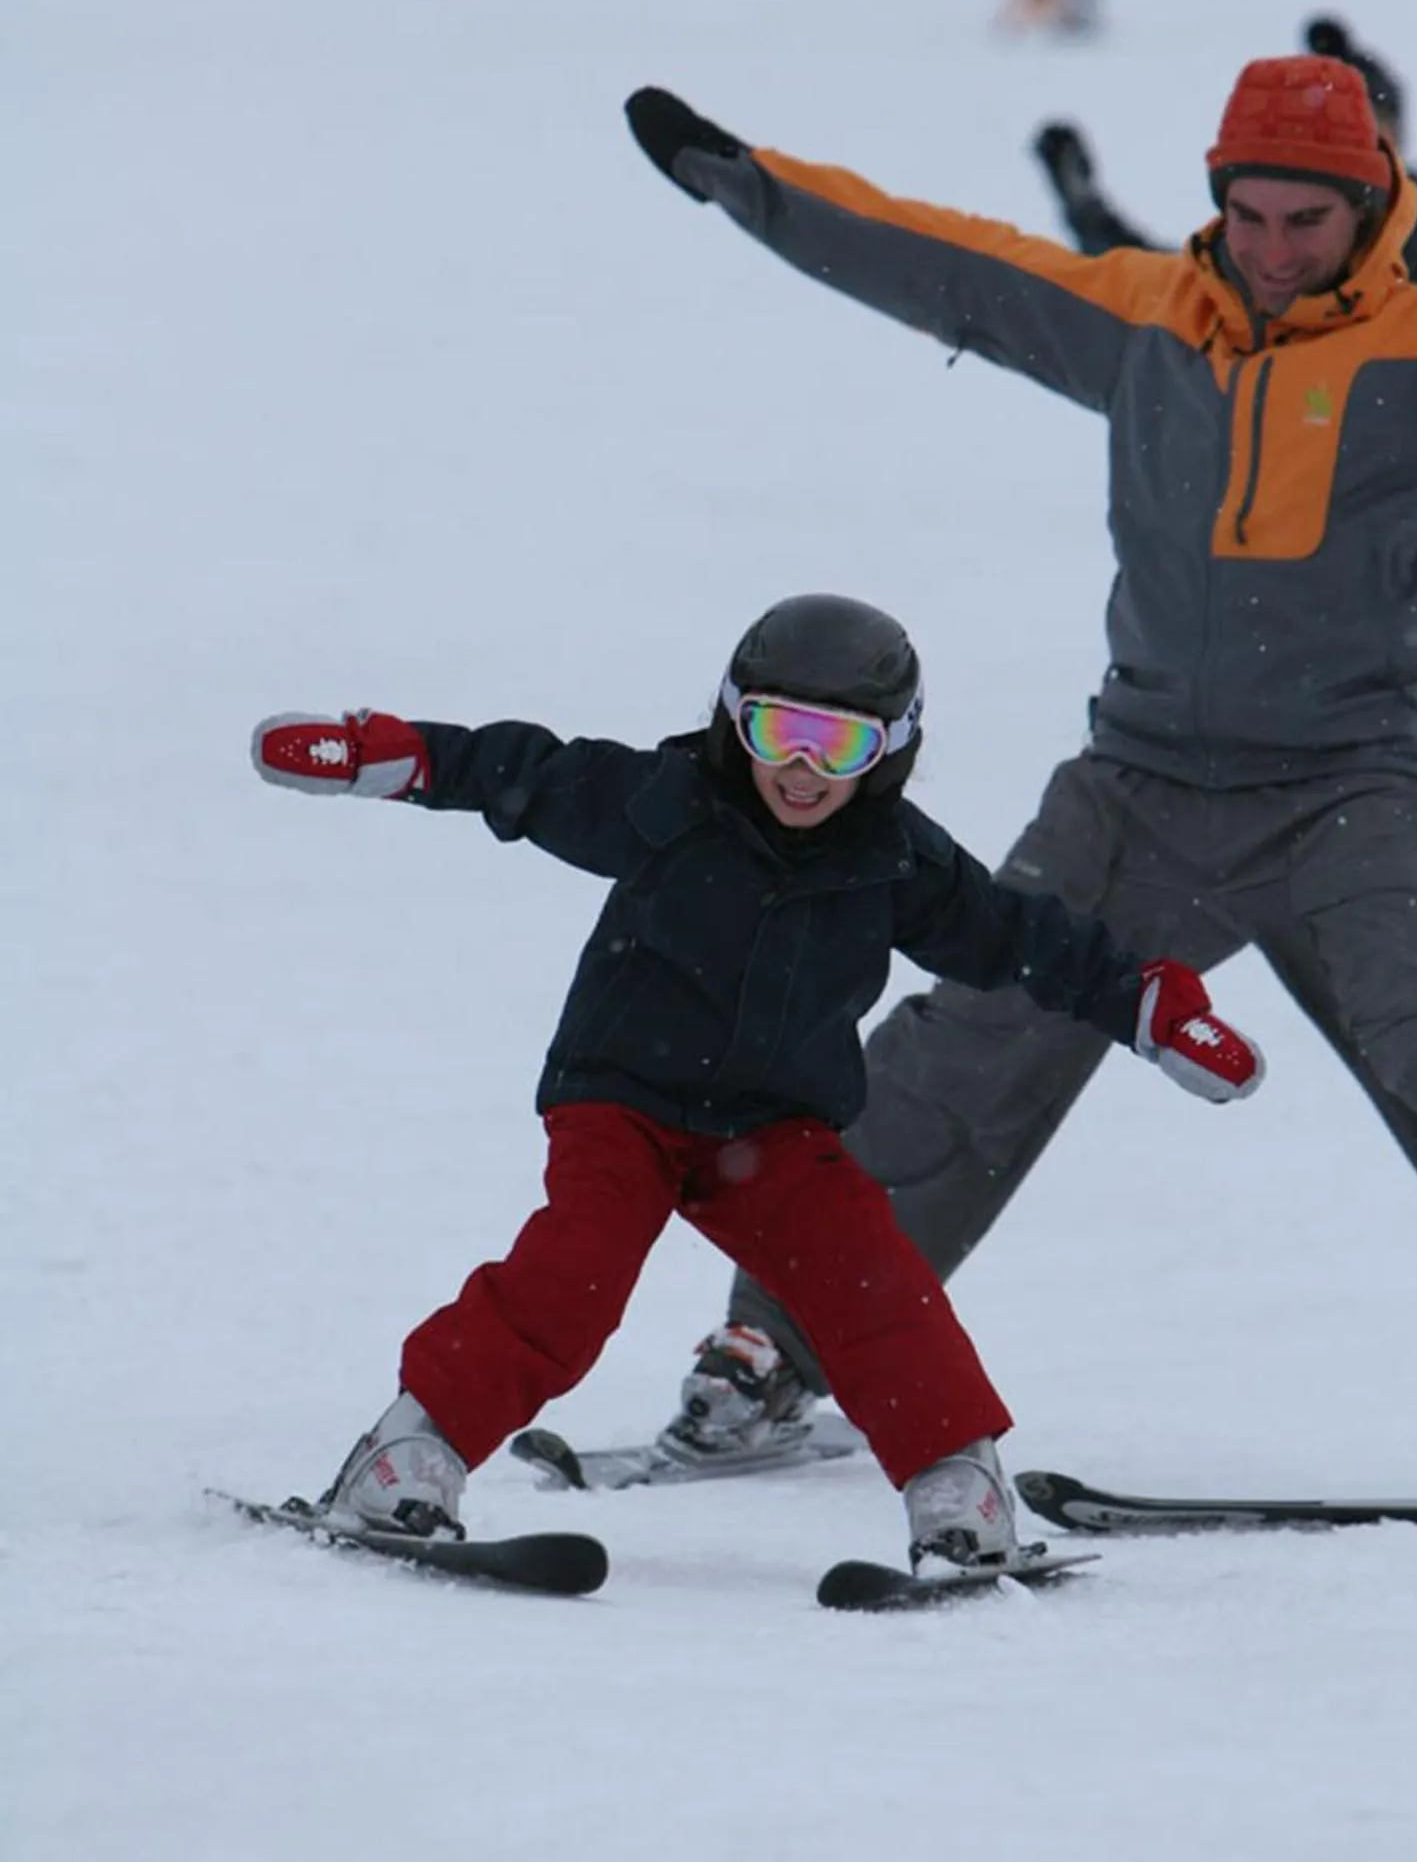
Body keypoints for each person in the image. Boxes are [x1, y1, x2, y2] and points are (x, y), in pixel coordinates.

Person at [619, 59, 1417, 1498]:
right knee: (967, 1038)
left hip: (1346, 792)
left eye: (1304, 222)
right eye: (1248, 215)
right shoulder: (1147, 326)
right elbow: (944, 263)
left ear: (1368, 208)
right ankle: (780, 1344)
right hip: (1134, 790)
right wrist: (750, 184)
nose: (1271, 250)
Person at [249, 596, 1264, 1574]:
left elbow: (1017, 936)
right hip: (625, 1102)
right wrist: (395, 754)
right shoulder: (667, 804)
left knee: (873, 1285)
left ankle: (958, 1482)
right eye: (780, 730)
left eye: (844, 744)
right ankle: (407, 1454)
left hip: (773, 1130)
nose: (804, 768)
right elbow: (527, 771)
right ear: (736, 720)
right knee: (575, 1276)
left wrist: (1147, 1004)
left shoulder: (894, 861)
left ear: (893, 749)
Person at [1032, 17, 1417, 925]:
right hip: (1286, 546)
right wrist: (1084, 210)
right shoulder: (1285, 221)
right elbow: (1156, 292)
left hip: (1408, 534)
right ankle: (1343, 883)